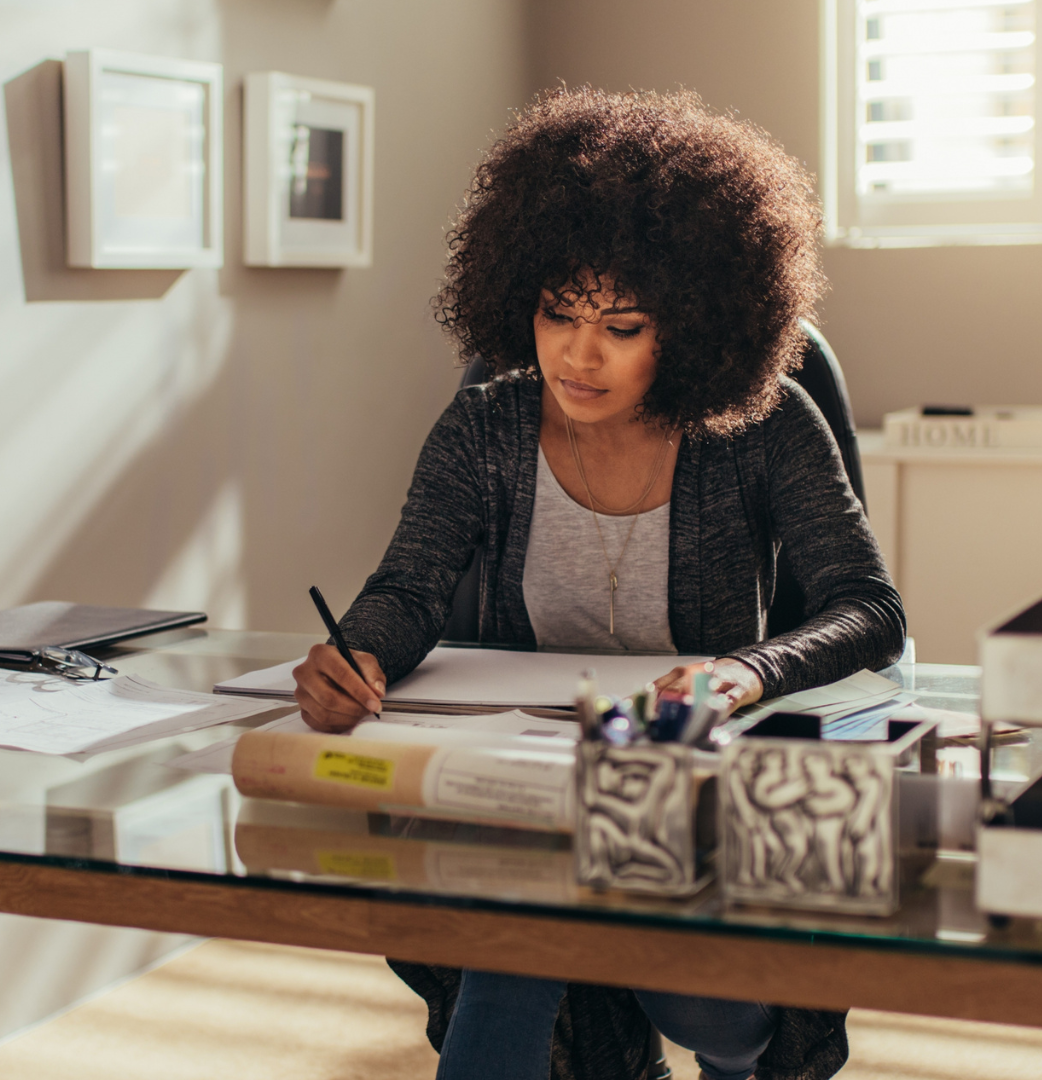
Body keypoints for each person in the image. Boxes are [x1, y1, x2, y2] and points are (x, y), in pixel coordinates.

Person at [291, 87, 904, 1080]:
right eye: (556, 314)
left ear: (696, 324)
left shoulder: (767, 424)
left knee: (716, 1017)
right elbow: (408, 588)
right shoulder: (484, 428)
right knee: (514, 942)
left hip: (695, 790)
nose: (579, 354)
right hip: (535, 794)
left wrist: (741, 675)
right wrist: (356, 652)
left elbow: (869, 610)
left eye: (622, 325)